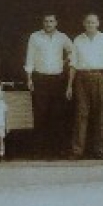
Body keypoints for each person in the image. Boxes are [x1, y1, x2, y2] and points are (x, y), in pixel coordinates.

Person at [66, 13, 103, 160]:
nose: (90, 25)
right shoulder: (78, 40)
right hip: (81, 78)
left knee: (100, 115)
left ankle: (98, 150)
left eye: (93, 22)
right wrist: (69, 86)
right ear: (83, 24)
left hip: (100, 76)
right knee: (81, 114)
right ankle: (78, 151)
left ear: (98, 23)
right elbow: (73, 64)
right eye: (87, 22)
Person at [24, 13, 73, 158]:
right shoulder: (35, 37)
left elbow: (73, 50)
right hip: (40, 78)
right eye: (46, 21)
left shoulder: (62, 37)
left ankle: (57, 150)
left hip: (57, 79)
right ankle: (39, 151)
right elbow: (29, 58)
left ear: (56, 23)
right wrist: (29, 79)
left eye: (51, 21)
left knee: (57, 115)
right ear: (42, 22)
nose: (48, 24)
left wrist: (64, 62)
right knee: (40, 115)